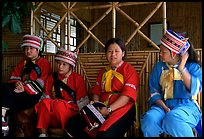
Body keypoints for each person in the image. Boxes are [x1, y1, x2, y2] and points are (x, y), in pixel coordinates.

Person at [140, 30, 202, 137]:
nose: (160, 54)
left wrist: (182, 68)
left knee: (174, 118)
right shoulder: (159, 67)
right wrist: (164, 108)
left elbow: (195, 89)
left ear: (175, 53)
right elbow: (154, 91)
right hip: (163, 106)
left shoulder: (192, 67)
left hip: (186, 106)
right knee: (149, 119)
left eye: (163, 52)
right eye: (160, 51)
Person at [87, 38, 140, 137]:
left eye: (116, 51)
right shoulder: (103, 71)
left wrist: (108, 110)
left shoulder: (129, 70)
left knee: (105, 134)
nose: (113, 54)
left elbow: (127, 96)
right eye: (110, 51)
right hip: (102, 107)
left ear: (123, 53)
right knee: (78, 127)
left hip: (123, 107)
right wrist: (97, 107)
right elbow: (96, 92)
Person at [1, 35, 52, 136]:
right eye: (26, 48)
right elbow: (14, 77)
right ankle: (2, 116)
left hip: (33, 95)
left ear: (38, 50)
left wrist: (24, 88)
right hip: (19, 92)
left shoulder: (44, 63)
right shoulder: (22, 63)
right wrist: (17, 83)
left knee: (8, 92)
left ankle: (2, 116)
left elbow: (41, 83)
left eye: (31, 48)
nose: (28, 51)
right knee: (3, 86)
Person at [35, 48, 89, 137]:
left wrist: (82, 120)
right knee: (44, 102)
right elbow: (46, 97)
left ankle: (67, 133)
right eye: (59, 64)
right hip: (53, 113)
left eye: (64, 64)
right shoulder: (51, 78)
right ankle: (43, 134)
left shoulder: (77, 78)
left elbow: (82, 101)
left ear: (70, 66)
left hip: (69, 113)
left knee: (59, 105)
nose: (60, 67)